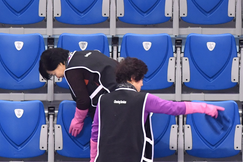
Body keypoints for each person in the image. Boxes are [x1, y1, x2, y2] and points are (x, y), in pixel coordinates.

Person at [89, 57, 224, 162]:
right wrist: (204, 107)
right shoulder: (144, 99)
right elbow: (174, 108)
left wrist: (93, 159)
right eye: (141, 79)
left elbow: (95, 134)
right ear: (133, 78)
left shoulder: (103, 99)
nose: (142, 83)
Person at [39, 47, 119, 137]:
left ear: (59, 64)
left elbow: (83, 100)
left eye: (54, 73)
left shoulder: (72, 70)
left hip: (112, 102)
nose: (57, 77)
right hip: (126, 92)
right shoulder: (84, 54)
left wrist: (78, 120)